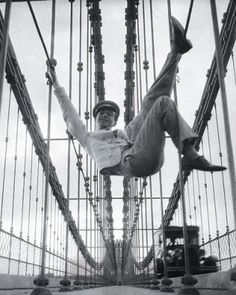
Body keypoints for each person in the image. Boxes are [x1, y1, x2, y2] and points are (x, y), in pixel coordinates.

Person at [49, 16, 226, 178]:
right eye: (101, 113)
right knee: (159, 103)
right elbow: (70, 116)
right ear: (95, 118)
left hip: (139, 148)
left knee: (155, 102)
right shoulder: (87, 138)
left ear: (114, 120)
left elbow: (152, 104)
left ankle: (175, 51)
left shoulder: (126, 132)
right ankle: (190, 155)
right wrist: (56, 85)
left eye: (109, 114)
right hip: (132, 163)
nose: (105, 115)